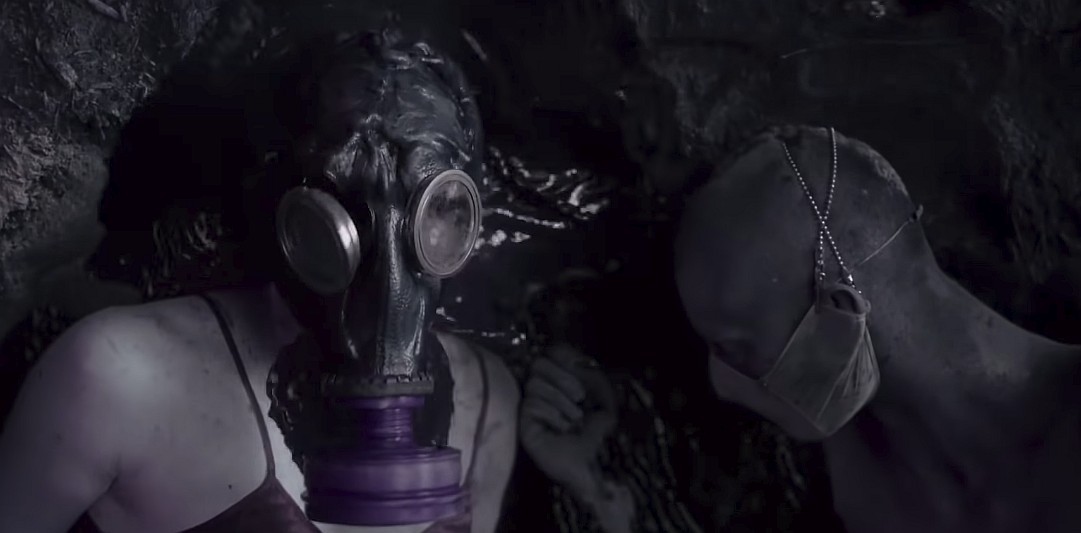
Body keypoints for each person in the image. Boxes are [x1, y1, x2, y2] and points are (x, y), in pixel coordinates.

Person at [0, 28, 520, 533]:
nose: (387, 274)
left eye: (435, 210)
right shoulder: (115, 379)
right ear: (279, 206)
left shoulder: (487, 401)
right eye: (341, 214)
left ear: (465, 220)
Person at [524, 124, 1081, 533]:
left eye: (737, 351)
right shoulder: (799, 486)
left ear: (838, 311)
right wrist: (595, 489)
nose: (721, 384)